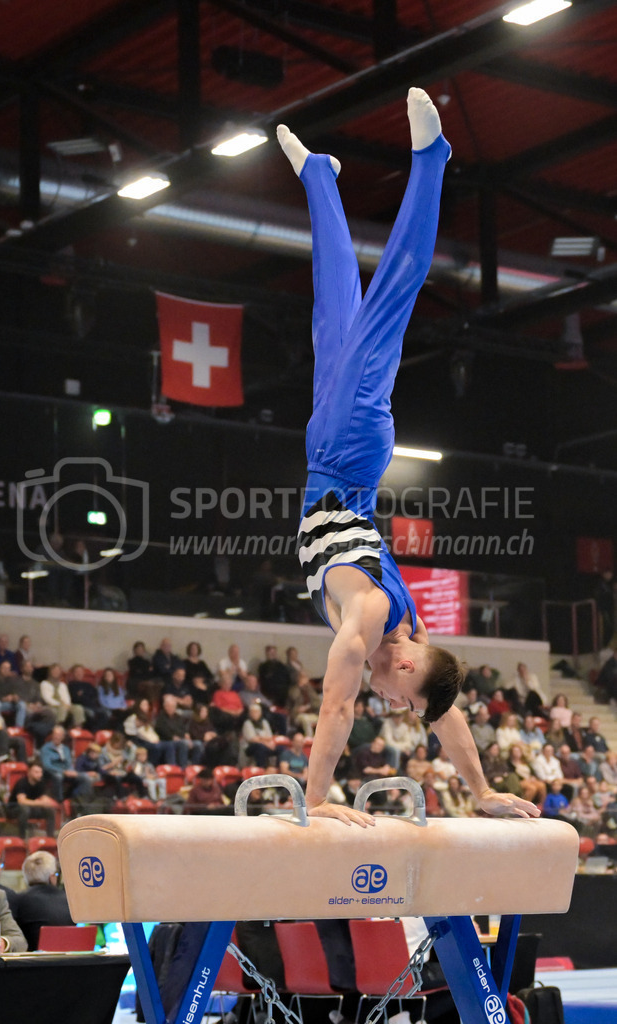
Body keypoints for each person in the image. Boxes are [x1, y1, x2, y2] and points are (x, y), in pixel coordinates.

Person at [279, 90, 536, 825]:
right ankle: (431, 161)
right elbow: (335, 707)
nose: (393, 706)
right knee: (390, 297)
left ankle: (320, 177)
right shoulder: (369, 617)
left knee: (334, 311)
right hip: (350, 449)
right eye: (402, 699)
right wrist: (316, 801)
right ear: (402, 666)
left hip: (326, 453)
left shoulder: (406, 633)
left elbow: (444, 712)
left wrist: (481, 792)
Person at [14, 850, 74, 950]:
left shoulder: (18, 900)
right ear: (52, 877)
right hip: (73, 957)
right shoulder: (71, 902)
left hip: (33, 958)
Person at [40, 726, 95, 807]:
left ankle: (77, 800)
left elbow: (69, 763)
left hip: (66, 771)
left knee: (84, 777)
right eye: (55, 734)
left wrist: (71, 771)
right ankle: (59, 801)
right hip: (52, 772)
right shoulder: (46, 748)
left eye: (59, 735)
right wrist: (63, 771)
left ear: (63, 737)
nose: (57, 737)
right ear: (52, 735)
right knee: (58, 776)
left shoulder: (66, 749)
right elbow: (46, 765)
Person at [8, 760, 57, 838]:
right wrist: (39, 803)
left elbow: (45, 800)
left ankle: (50, 838)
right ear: (29, 772)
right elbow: (22, 801)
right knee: (24, 809)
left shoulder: (40, 783)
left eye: (40, 772)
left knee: (49, 810)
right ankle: (22, 838)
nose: (39, 775)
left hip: (30, 809)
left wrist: (45, 803)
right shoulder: (22, 783)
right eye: (36, 772)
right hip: (14, 809)